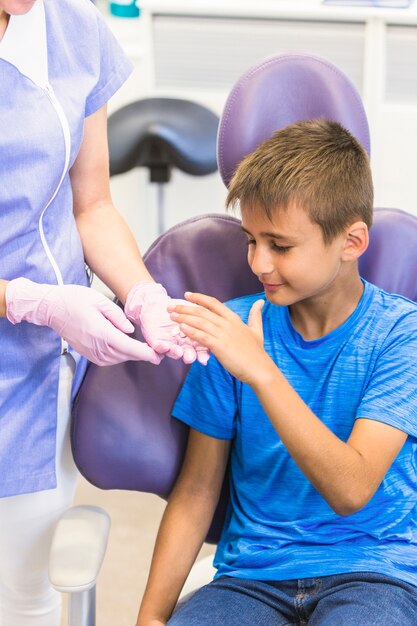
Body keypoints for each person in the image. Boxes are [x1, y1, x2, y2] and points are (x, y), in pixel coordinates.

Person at [136, 119, 417, 626]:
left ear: (351, 241)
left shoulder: (402, 336)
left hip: (375, 573)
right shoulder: (233, 328)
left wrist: (261, 371)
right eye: (250, 240)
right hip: (252, 579)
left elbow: (351, 489)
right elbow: (198, 490)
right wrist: (151, 620)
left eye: (280, 246)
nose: (260, 263)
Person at [0, 0, 208, 624]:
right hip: (36, 314)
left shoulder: (74, 25)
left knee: (23, 592)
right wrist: (25, 298)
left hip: (38, 371)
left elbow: (91, 204)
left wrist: (142, 292)